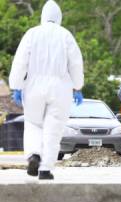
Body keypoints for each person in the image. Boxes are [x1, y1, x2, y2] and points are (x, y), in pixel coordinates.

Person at [9, 0, 84, 180]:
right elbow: (75, 63)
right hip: (61, 87)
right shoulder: (66, 35)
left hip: (34, 85)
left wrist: (16, 86)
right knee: (54, 128)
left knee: (33, 123)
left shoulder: (32, 33)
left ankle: (34, 155)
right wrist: (77, 87)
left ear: (42, 16)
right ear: (59, 18)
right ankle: (45, 169)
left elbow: (20, 61)